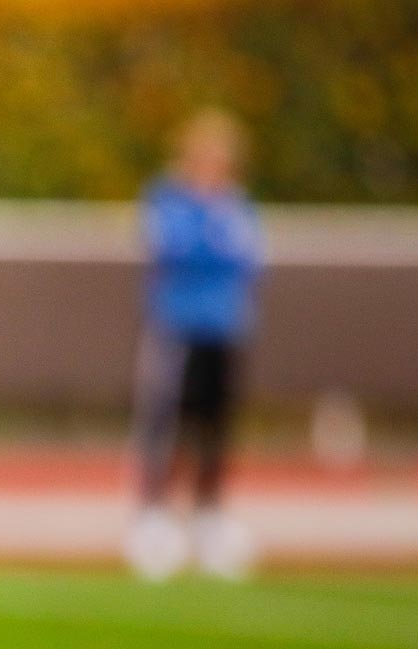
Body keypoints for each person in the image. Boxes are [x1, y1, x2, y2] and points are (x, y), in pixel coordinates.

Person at [125, 108, 264, 581]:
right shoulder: (168, 201)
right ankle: (154, 514)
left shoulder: (237, 205)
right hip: (178, 328)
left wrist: (214, 237)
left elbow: (247, 259)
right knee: (167, 423)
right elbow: (176, 251)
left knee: (215, 428)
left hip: (224, 330)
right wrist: (210, 235)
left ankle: (208, 514)